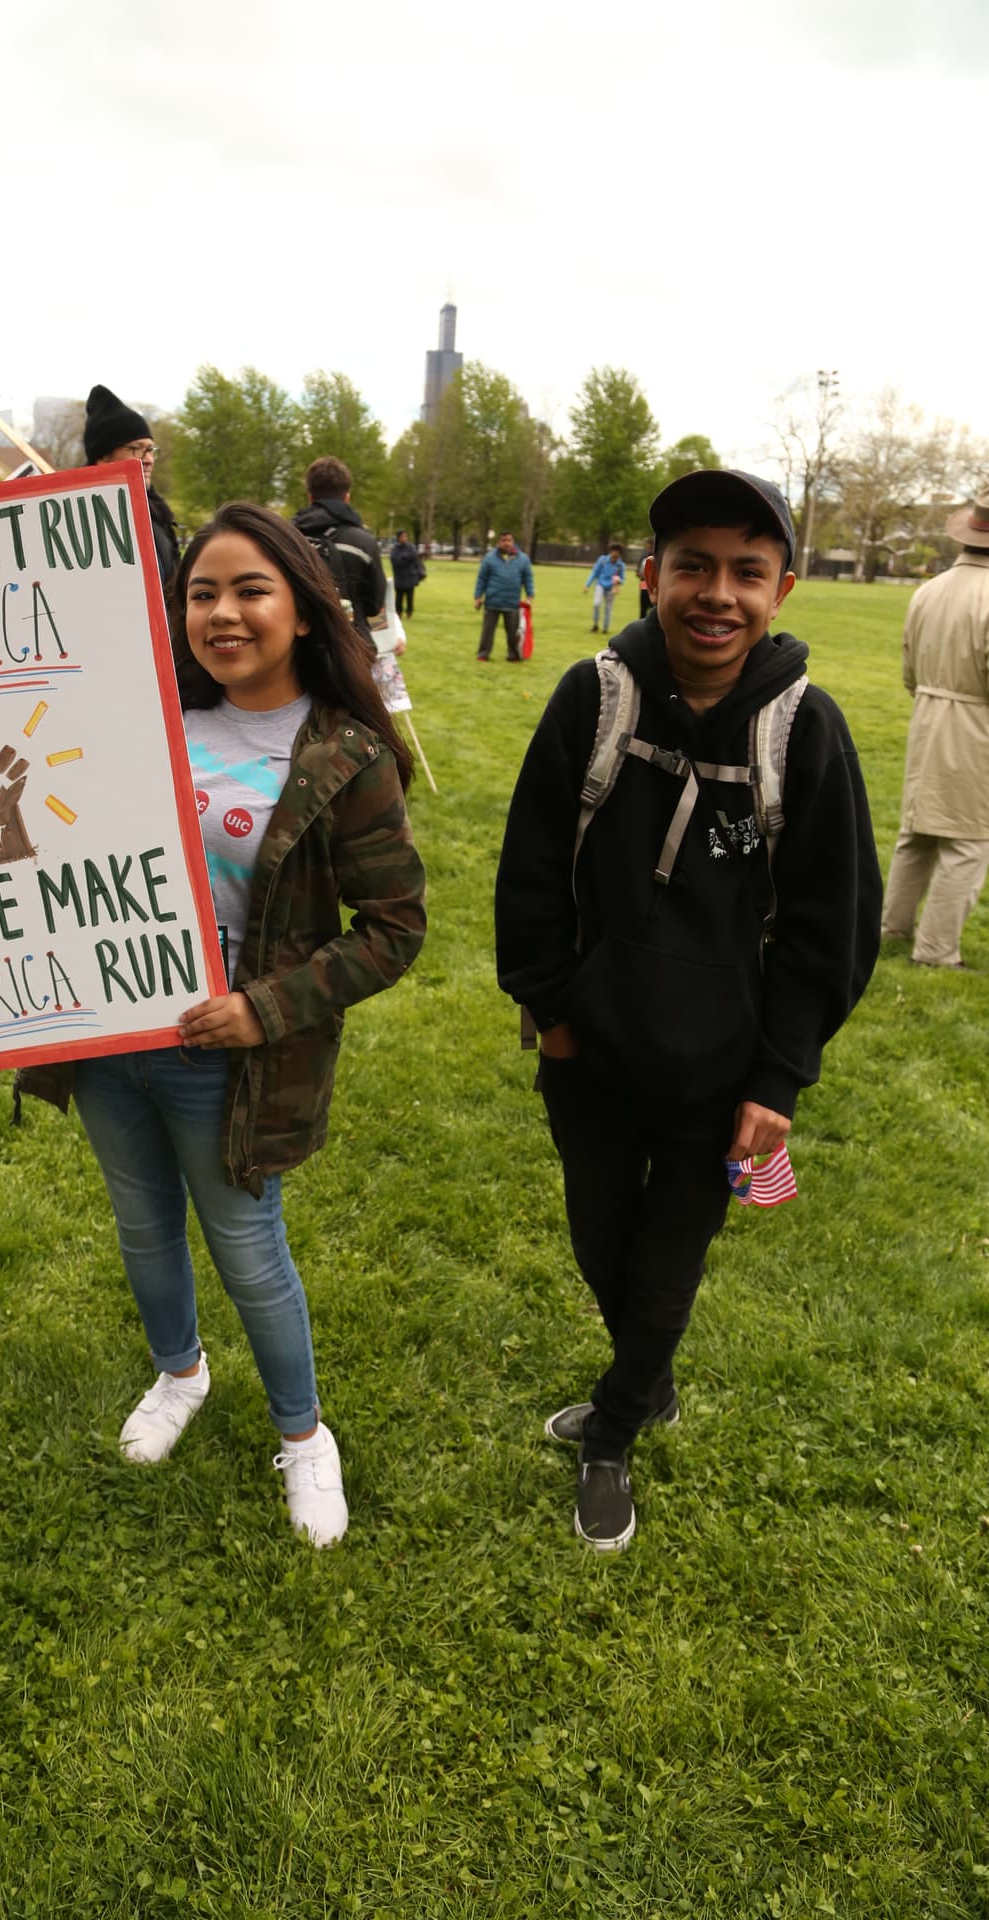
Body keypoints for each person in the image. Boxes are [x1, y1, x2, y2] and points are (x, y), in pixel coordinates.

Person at [0, 502, 426, 1549]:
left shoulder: (342, 752)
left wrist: (261, 1009)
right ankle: (178, 1375)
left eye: (249, 591)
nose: (222, 613)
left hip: (221, 1052)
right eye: (200, 593)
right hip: (101, 1034)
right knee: (141, 1226)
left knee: (245, 1247)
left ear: (306, 613)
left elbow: (394, 928)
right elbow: (23, 849)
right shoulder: (130, 721)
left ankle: (302, 1434)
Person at [496, 468, 880, 1553]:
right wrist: (552, 1017)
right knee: (598, 1242)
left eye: (745, 573)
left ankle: (613, 1432)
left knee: (666, 1262)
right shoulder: (593, 697)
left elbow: (828, 930)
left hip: (719, 1080)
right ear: (651, 575)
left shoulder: (804, 730)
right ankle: (644, 1379)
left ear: (783, 588)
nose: (716, 594)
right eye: (693, 567)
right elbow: (527, 870)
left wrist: (775, 1081)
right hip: (591, 1060)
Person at [879, 491, 989, 969]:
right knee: (969, 840)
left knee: (917, 832)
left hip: (926, 716)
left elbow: (908, 669)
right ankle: (937, 951)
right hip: (976, 725)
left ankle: (892, 927)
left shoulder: (928, 590)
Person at [83, 385, 180, 594]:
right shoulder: (81, 521)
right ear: (103, 457)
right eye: (136, 448)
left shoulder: (156, 513)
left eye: (150, 449)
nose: (149, 460)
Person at [291, 457, 387, 643]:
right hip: (351, 644)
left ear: (310, 497)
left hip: (297, 647)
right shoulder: (364, 542)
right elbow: (374, 606)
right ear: (347, 497)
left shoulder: (287, 537)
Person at [474, 530, 534, 662]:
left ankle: (513, 655)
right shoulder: (489, 558)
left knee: (513, 632)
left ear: (513, 542)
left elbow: (528, 578)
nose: (506, 543)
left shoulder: (523, 559)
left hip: (512, 602)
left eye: (509, 540)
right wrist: (478, 597)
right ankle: (483, 653)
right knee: (487, 631)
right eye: (503, 540)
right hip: (492, 601)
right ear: (499, 542)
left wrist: (530, 595)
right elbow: (482, 579)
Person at [584, 542, 627, 634]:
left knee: (608, 608)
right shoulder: (602, 560)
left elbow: (623, 579)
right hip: (600, 585)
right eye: (613, 551)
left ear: (620, 554)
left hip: (611, 588)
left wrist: (619, 580)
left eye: (617, 552)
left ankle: (605, 628)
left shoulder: (621, 565)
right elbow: (594, 572)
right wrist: (587, 585)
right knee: (596, 604)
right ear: (610, 552)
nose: (615, 554)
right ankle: (595, 625)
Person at [389, 531, 425, 620]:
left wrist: (403, 558)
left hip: (410, 577)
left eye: (405, 536)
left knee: (410, 597)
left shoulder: (411, 547)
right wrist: (406, 558)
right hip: (399, 577)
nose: (404, 538)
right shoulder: (395, 549)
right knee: (399, 597)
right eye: (402, 536)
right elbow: (395, 561)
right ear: (398, 537)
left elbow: (414, 557)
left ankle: (409, 612)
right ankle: (398, 613)